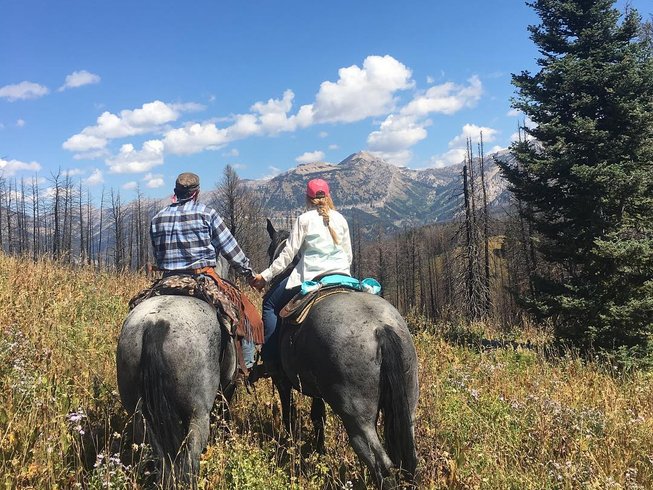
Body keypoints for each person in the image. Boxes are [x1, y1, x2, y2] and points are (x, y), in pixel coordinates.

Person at [150, 172, 259, 369]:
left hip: (167, 280)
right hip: (201, 278)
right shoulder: (207, 214)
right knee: (244, 316)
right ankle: (248, 366)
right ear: (196, 193)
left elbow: (158, 254)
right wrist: (248, 273)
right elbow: (230, 249)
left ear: (176, 192)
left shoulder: (157, 218)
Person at [250, 178, 352, 375]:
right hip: (343, 275)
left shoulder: (304, 220)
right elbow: (348, 255)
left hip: (312, 276)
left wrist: (265, 277)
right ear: (328, 196)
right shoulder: (340, 219)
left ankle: (270, 360)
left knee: (270, 304)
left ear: (308, 198)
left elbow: (287, 255)